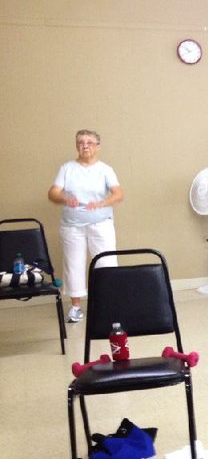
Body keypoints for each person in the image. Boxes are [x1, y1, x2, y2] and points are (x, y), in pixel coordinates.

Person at [47, 129, 123, 323]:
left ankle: (106, 306)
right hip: (72, 227)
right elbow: (53, 193)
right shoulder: (67, 168)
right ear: (76, 146)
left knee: (106, 264)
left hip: (101, 224)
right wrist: (65, 197)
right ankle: (75, 307)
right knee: (74, 265)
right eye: (81, 142)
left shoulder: (105, 169)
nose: (85, 145)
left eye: (89, 142)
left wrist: (102, 203)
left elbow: (118, 194)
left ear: (98, 146)